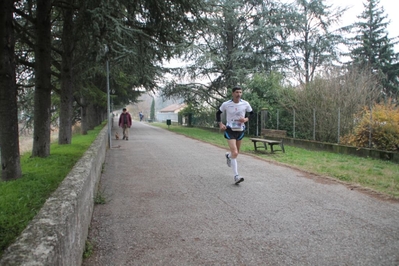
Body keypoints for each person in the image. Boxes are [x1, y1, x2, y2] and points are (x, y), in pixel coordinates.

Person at [216, 86, 254, 184]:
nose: (239, 94)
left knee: (235, 153)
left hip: (240, 130)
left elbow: (252, 113)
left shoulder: (245, 103)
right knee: (235, 153)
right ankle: (236, 176)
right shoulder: (226, 104)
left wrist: (246, 119)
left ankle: (228, 156)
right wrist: (220, 124)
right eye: (237, 92)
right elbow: (218, 113)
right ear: (233, 93)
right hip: (230, 130)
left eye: (240, 92)